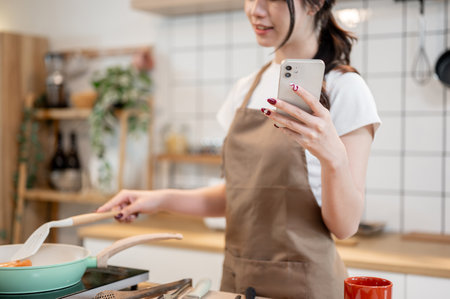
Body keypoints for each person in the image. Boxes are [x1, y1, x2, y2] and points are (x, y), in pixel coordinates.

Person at [97, 0, 381, 298]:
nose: (255, 10)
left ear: (314, 4)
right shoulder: (246, 88)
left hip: (306, 287)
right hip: (239, 283)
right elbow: (238, 194)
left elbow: (345, 226)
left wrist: (332, 158)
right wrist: (157, 199)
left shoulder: (345, 89)